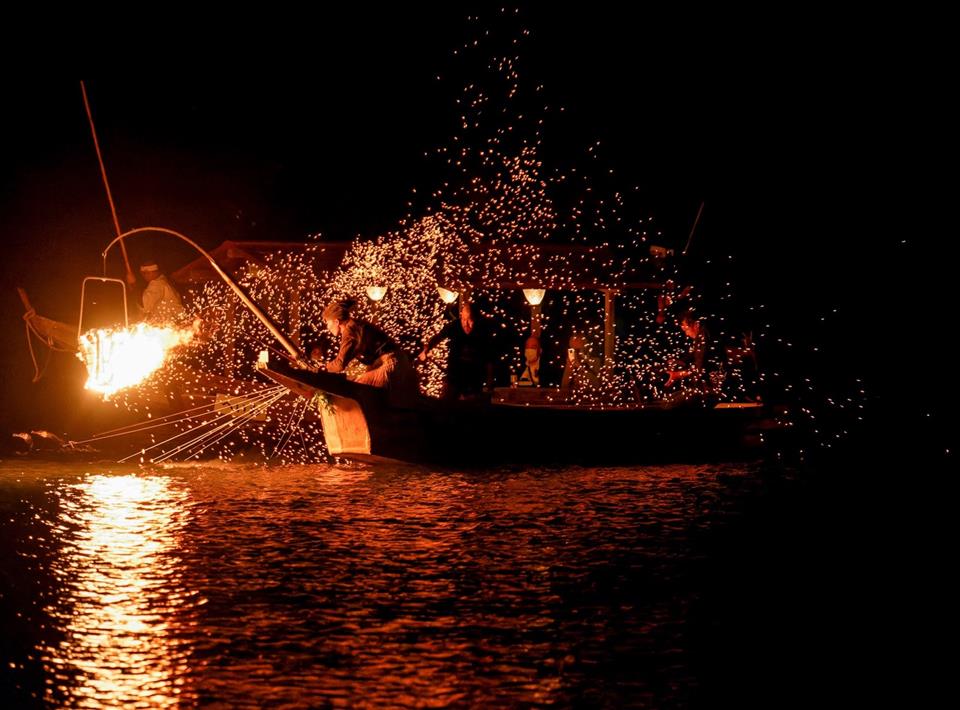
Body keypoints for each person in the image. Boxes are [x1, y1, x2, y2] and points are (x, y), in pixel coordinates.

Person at [322, 299, 419, 404]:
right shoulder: (355, 325)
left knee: (354, 391)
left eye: (327, 323)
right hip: (397, 362)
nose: (327, 327)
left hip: (391, 364)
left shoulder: (350, 331)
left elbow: (340, 364)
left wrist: (324, 368)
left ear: (336, 322)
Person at [418, 302, 494, 400]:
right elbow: (438, 337)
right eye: (464, 320)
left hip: (474, 376)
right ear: (461, 317)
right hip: (454, 375)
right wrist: (426, 349)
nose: (466, 324)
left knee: (472, 407)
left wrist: (489, 378)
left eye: (470, 321)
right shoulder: (454, 326)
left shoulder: (482, 330)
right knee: (446, 404)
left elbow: (489, 356)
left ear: (476, 319)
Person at [665, 310, 712, 389]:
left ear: (696, 324)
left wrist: (677, 375)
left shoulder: (704, 338)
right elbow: (694, 355)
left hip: (712, 385)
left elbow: (699, 368)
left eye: (686, 330)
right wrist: (679, 361)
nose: (686, 334)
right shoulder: (700, 337)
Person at [139, 261, 186, 325]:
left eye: (145, 273)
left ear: (153, 272)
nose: (143, 276)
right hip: (175, 323)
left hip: (168, 326)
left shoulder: (157, 284)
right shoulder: (163, 282)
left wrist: (133, 285)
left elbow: (144, 304)